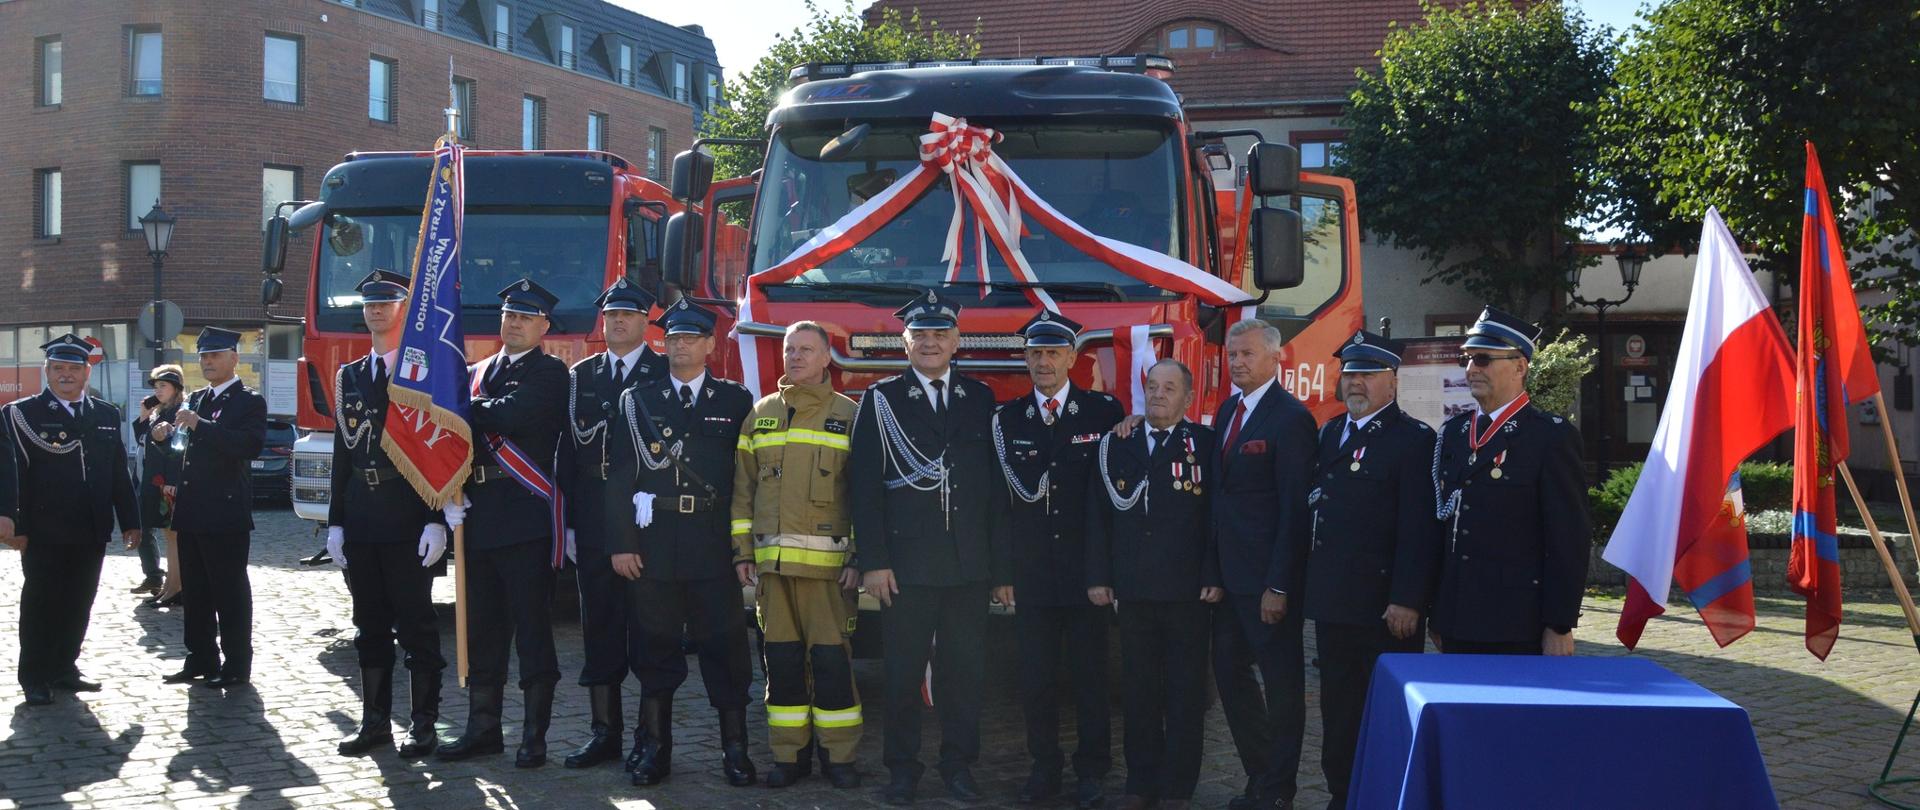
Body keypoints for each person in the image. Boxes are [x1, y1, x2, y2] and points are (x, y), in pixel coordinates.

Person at [849, 290, 1010, 806]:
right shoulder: (882, 399)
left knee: (965, 674)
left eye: (941, 335)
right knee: (900, 674)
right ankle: (902, 771)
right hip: (906, 567)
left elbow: (995, 492)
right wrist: (873, 561)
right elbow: (864, 488)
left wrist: (998, 567)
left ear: (957, 342)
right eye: (921, 336)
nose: (931, 344)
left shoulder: (980, 399)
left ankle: (959, 767)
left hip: (968, 565)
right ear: (906, 342)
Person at [603, 297, 757, 788]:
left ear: (711, 344)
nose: (680, 346)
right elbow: (620, 477)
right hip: (654, 544)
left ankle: (735, 749)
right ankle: (654, 748)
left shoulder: (735, 401)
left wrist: (742, 548)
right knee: (655, 647)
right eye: (672, 339)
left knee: (725, 647)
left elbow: (744, 480)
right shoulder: (638, 400)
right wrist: (622, 543)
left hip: (712, 543)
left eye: (690, 338)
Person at [1303, 330, 1440, 809]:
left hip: (1386, 608)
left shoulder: (1414, 440)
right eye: (1349, 373)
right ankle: (1342, 795)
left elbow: (1419, 529)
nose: (1354, 382)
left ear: (1393, 383)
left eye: (1367, 374)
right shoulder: (1329, 432)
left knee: (1385, 708)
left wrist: (1407, 598)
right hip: (1335, 603)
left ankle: (1387, 797)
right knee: (1338, 711)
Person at [992, 309, 1121, 808]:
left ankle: (1092, 769)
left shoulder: (1104, 414)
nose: (1043, 362)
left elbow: (1111, 501)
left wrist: (1105, 572)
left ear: (1072, 357)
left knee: (1092, 679)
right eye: (1034, 353)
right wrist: (1002, 572)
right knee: (1037, 680)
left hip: (1087, 575)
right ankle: (1043, 767)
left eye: (1052, 353)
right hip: (1030, 576)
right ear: (1025, 359)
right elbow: (998, 506)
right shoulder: (1007, 419)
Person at [438, 279, 569, 767]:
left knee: (533, 630)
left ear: (542, 326)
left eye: (525, 317)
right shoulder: (474, 374)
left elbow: (513, 415)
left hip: (525, 517)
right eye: (509, 315)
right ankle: (483, 728)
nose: (514, 323)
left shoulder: (551, 373)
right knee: (482, 631)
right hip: (476, 515)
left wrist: (459, 408)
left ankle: (534, 735)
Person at [729, 321, 863, 790]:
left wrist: (858, 558)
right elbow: (742, 493)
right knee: (781, 667)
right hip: (772, 572)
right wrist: (743, 553)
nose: (796, 357)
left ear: (828, 358)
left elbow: (864, 496)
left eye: (807, 350)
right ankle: (790, 757)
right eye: (790, 350)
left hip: (828, 575)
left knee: (830, 665)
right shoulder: (760, 414)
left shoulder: (849, 416)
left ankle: (839, 758)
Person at [1085, 358, 1221, 810]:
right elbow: (1098, 518)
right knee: (1138, 693)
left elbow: (1216, 519)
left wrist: (1212, 576)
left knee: (1185, 694)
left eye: (1169, 387)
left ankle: (1178, 788)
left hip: (1188, 592)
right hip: (1134, 589)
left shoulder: (1205, 444)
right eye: (1153, 386)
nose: (1159, 394)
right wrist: (1100, 577)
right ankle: (1140, 785)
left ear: (1186, 396)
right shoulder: (1116, 444)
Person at [326, 270, 451, 758]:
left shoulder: (424, 371)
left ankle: (423, 724)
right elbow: (343, 454)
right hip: (362, 516)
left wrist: (437, 517)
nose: (376, 310)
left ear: (405, 309)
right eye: (370, 304)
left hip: (408, 514)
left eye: (387, 303)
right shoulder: (350, 376)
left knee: (418, 624)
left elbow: (439, 450)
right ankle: (375, 721)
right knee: (369, 624)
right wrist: (336, 521)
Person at [1430, 307, 1591, 655]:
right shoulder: (1454, 433)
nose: (1473, 368)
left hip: (1517, 622)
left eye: (1484, 359)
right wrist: (1439, 613)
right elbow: (1445, 532)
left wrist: (1559, 624)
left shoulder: (1550, 437)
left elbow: (1568, 539)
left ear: (1520, 367)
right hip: (1459, 617)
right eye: (1468, 359)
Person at [556, 278, 666, 770]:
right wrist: (571, 522)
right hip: (596, 515)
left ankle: (651, 736)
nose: (617, 322)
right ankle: (604, 733)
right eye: (611, 315)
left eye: (628, 314)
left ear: (645, 321)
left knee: (649, 629)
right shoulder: (581, 374)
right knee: (598, 627)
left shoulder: (663, 372)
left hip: (647, 520)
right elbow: (568, 454)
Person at [1210, 318, 1316, 810]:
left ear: (1276, 359)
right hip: (1229, 582)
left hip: (1269, 583)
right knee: (1229, 675)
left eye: (1248, 354)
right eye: (1233, 354)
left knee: (1281, 685)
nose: (1237, 362)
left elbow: (1295, 510)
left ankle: (1278, 791)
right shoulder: (1227, 410)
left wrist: (1280, 584)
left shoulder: (1291, 418)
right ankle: (1258, 775)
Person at [1, 334, 140, 706]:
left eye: (73, 369)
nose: (66, 375)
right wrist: (11, 521)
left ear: (87, 372)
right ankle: (35, 676)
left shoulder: (106, 414)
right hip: (44, 530)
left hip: (91, 527)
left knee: (80, 601)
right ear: (46, 372)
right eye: (58, 368)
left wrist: (131, 520)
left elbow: (117, 473)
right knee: (42, 603)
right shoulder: (21, 414)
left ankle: (64, 668)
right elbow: (8, 471)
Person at [159, 326, 268, 690]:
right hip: (192, 510)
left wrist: (201, 425)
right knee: (196, 590)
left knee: (229, 592)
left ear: (234, 359)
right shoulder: (198, 397)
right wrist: (165, 436)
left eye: (215, 355)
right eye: (203, 356)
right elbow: (185, 450)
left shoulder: (248, 401)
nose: (207, 362)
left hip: (225, 513)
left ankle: (237, 663)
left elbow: (249, 446)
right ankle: (201, 657)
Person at [132, 365, 187, 603]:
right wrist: (144, 417)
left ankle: (176, 586)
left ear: (176, 389)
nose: (158, 390)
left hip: (167, 482)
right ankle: (170, 584)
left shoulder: (179, 411)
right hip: (153, 481)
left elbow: (179, 451)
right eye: (156, 386)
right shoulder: (159, 412)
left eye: (163, 386)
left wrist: (173, 481)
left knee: (174, 536)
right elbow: (144, 442)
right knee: (167, 535)